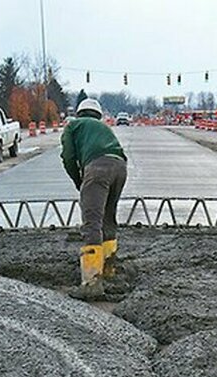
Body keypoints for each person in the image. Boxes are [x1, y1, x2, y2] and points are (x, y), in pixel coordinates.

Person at [59, 97, 128, 299]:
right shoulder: (103, 127)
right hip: (120, 168)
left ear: (79, 113)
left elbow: (69, 157)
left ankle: (91, 283)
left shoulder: (73, 126)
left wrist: (79, 182)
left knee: (92, 221)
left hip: (97, 168)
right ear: (98, 115)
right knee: (108, 217)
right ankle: (109, 271)